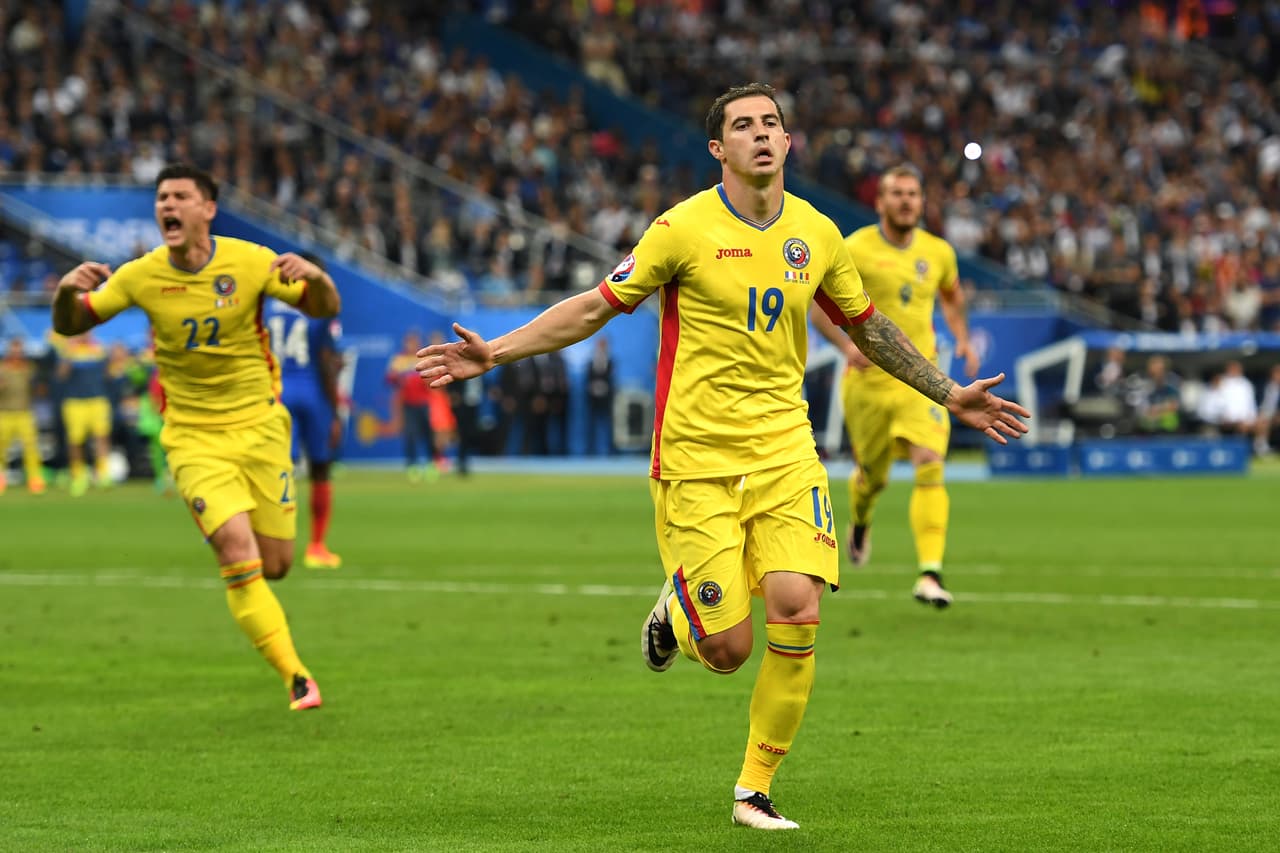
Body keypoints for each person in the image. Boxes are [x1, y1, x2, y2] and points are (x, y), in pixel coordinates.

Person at [416, 83, 1028, 830]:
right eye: (745, 126)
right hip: (696, 457)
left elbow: (869, 328)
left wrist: (948, 391)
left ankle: (753, 789)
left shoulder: (818, 233)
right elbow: (592, 306)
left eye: (772, 123)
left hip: (785, 450)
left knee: (798, 607)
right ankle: (677, 611)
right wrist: (498, 352)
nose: (762, 135)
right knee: (731, 647)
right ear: (719, 149)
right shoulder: (681, 229)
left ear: (788, 141)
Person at [51, 162, 340, 711]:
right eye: (161, 198)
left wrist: (320, 279)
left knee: (276, 564)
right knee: (237, 555)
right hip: (193, 438)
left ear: (207, 208)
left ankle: (283, 635)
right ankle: (297, 677)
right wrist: (67, 292)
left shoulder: (251, 263)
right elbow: (71, 324)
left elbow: (324, 308)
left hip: (260, 429)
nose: (167, 205)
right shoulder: (141, 274)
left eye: (180, 196)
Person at [808, 164, 979, 608]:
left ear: (922, 202)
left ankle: (930, 573)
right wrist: (847, 349)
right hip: (867, 383)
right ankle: (861, 519)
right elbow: (820, 309)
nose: (906, 201)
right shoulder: (854, 248)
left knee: (929, 461)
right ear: (880, 202)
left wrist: (961, 339)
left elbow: (952, 296)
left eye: (913, 194)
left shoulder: (939, 252)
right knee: (874, 479)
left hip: (922, 378)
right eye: (896, 194)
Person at [266, 252, 346, 569]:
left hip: (274, 392)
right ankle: (316, 546)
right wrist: (336, 409)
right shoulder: (320, 308)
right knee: (320, 470)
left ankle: (267, 543)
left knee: (275, 474)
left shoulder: (267, 304)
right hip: (311, 391)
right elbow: (327, 361)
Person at [55, 330, 113, 496]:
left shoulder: (99, 348)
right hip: (74, 402)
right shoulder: (69, 350)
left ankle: (103, 473)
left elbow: (108, 373)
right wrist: (68, 354)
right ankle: (78, 475)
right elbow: (61, 375)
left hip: (97, 399)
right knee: (75, 440)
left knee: (101, 436)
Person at [386, 329, 441, 482]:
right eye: (409, 341)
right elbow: (389, 379)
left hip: (424, 403)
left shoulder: (424, 358)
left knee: (429, 435)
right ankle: (412, 466)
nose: (411, 344)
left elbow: (434, 378)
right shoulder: (399, 359)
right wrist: (398, 379)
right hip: (408, 404)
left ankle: (432, 464)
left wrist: (427, 381)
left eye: (414, 341)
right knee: (410, 435)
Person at [0, 336, 48, 495]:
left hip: (25, 412)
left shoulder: (29, 368)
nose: (16, 353)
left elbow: (39, 389)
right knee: (1, 448)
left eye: (19, 349)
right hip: (4, 412)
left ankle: (35, 479)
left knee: (31, 448)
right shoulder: (2, 368)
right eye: (14, 349)